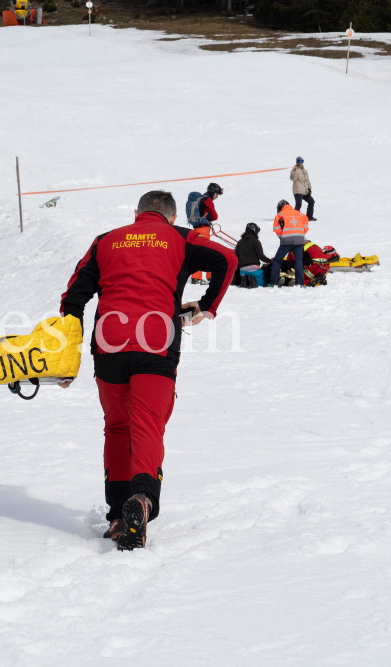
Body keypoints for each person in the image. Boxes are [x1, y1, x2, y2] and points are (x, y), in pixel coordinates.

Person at [58, 190, 237, 551]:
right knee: (147, 423)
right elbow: (228, 260)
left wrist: (66, 355)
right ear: (171, 218)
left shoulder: (106, 240)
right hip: (156, 340)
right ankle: (141, 499)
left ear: (136, 213)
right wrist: (206, 307)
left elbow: (72, 298)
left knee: (117, 427)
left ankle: (118, 515)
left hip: (109, 342)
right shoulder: (182, 237)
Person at [268, 199, 308, 288]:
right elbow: (306, 226)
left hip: (286, 240)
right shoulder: (299, 213)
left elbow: (277, 229)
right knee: (298, 262)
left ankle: (274, 283)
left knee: (277, 261)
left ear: (280, 207)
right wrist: (300, 234)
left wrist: (283, 236)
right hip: (299, 240)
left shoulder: (280, 215)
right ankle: (300, 284)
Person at [190, 182, 223, 284]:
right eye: (217, 195)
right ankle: (203, 277)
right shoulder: (208, 200)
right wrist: (209, 217)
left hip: (196, 229)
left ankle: (197, 276)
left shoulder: (200, 198)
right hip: (204, 230)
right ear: (213, 192)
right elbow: (215, 216)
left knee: (198, 252)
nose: (216, 197)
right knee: (206, 252)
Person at [235, 222, 271, 287]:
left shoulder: (239, 242)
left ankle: (245, 280)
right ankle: (254, 281)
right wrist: (269, 261)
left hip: (242, 270)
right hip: (254, 270)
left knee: (249, 275)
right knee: (264, 280)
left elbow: (235, 256)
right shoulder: (256, 241)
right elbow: (261, 256)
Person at [290, 157, 315, 221]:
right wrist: (294, 171)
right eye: (299, 161)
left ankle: (309, 217)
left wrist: (309, 188)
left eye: (301, 161)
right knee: (298, 204)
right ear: (296, 162)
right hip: (298, 190)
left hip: (304, 190)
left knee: (311, 201)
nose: (300, 162)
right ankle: (294, 218)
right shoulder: (294, 170)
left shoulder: (305, 171)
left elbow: (308, 180)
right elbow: (292, 179)